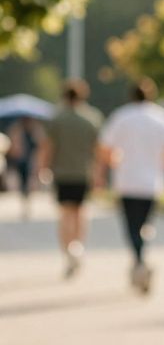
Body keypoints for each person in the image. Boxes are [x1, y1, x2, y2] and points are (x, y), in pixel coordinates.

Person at [98, 78, 164, 294]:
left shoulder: (122, 116)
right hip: (152, 182)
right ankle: (141, 258)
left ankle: (139, 260)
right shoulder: (161, 118)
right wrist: (163, 163)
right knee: (145, 224)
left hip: (127, 181)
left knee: (131, 227)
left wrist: (114, 163)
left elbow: (105, 148)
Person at [38, 79, 104, 278]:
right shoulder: (92, 118)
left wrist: (42, 169)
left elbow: (47, 147)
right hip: (84, 173)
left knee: (65, 213)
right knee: (80, 212)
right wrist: (99, 174)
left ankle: (68, 252)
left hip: (63, 173)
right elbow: (98, 151)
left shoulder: (58, 119)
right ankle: (78, 246)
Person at [7, 115, 45, 220]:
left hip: (31, 160)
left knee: (29, 181)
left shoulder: (35, 130)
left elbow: (41, 144)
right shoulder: (17, 129)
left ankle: (27, 200)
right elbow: (13, 145)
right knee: (23, 181)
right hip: (21, 160)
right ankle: (25, 200)